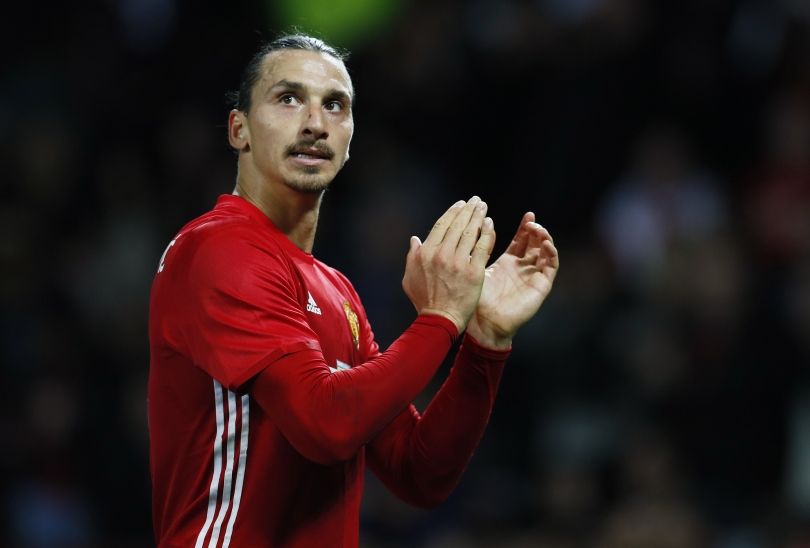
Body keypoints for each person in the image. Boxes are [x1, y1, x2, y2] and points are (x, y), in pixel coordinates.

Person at [148, 33, 559, 547]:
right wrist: (440, 319)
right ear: (239, 129)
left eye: (334, 105)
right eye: (288, 98)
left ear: (349, 139)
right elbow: (327, 426)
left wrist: (484, 341)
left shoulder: (335, 288)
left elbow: (418, 473)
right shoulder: (217, 249)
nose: (314, 123)